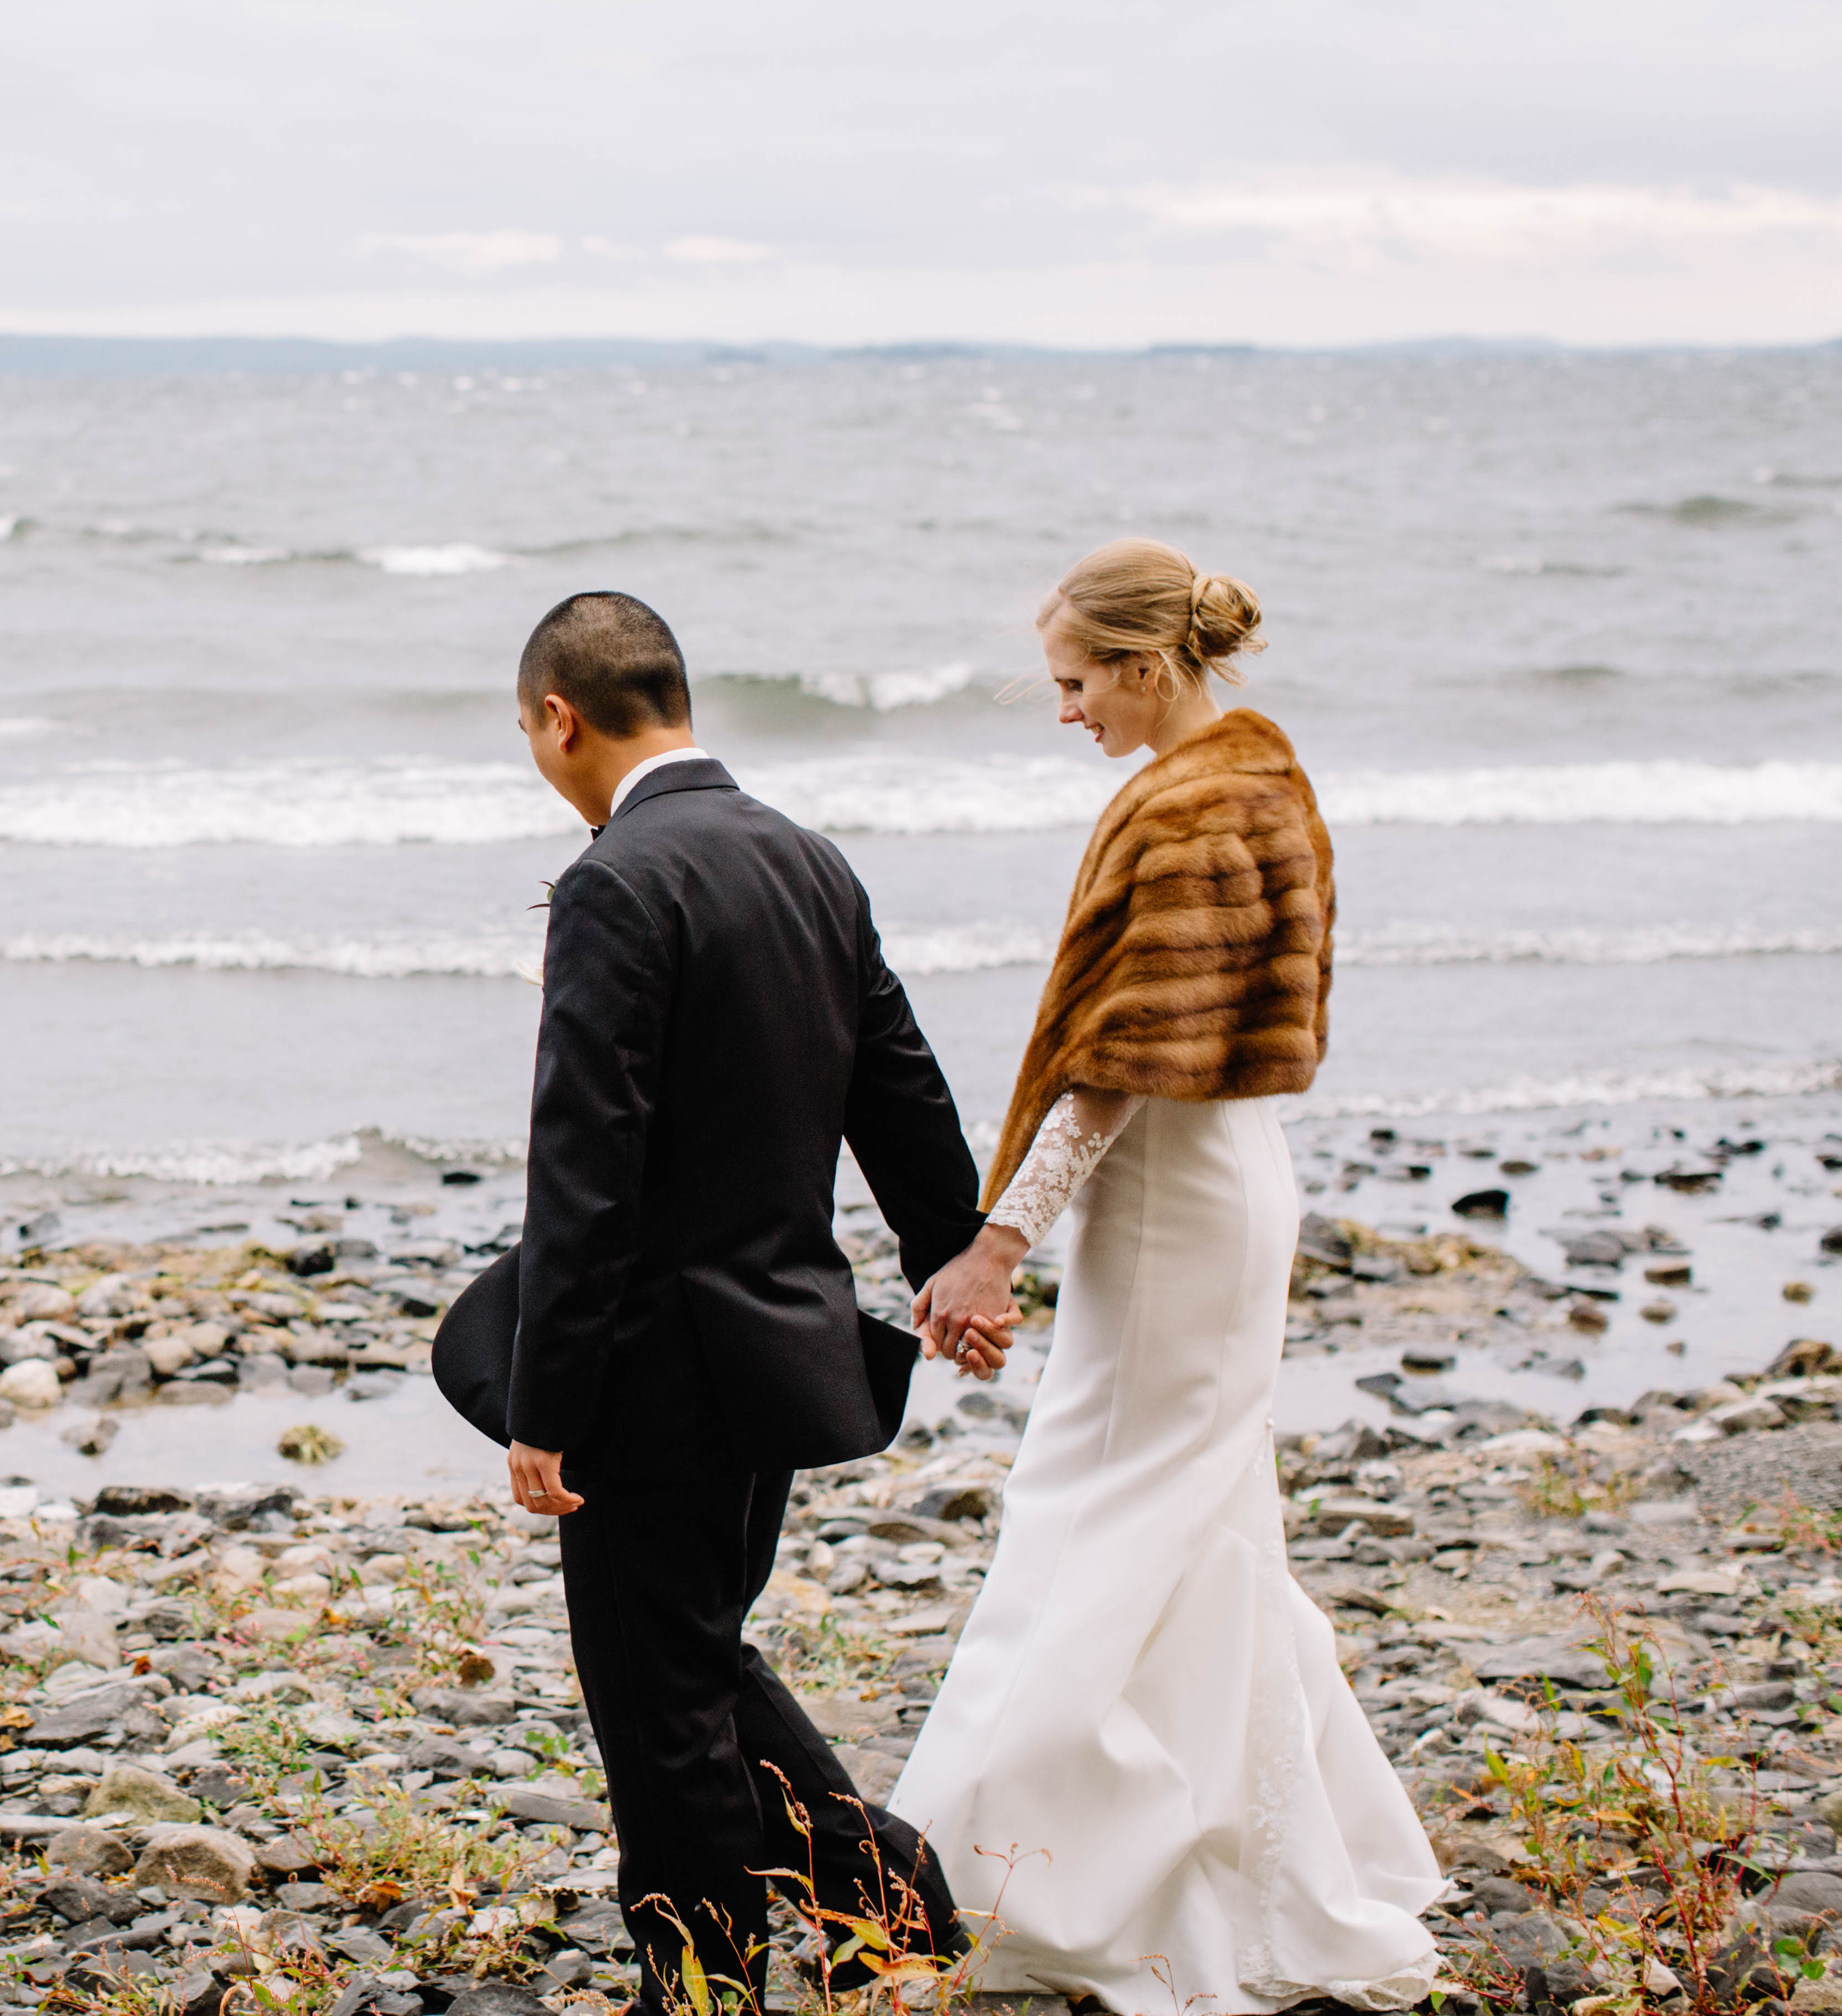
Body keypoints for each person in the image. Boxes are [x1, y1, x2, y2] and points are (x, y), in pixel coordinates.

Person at [892, 539, 1443, 2010]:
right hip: (1236, 1180)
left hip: (1175, 1204)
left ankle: (1012, 1854)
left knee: (1096, 1496)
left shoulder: (1191, 808)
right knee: (1202, 1522)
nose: (1066, 708)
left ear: (1147, 662)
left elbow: (1117, 1072)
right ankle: (1246, 1862)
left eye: (1078, 680)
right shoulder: (1267, 780)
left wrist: (997, 1240)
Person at [431, 590, 996, 2013]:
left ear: (560, 716)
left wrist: (545, 1405)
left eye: (528, 733)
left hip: (649, 1365)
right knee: (691, 1658)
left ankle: (701, 1986)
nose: (536, 757)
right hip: (777, 1347)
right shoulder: (807, 861)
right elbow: (901, 1082)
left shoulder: (622, 879)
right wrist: (949, 1249)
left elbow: (585, 1167)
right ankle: (887, 1905)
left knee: (655, 1700)